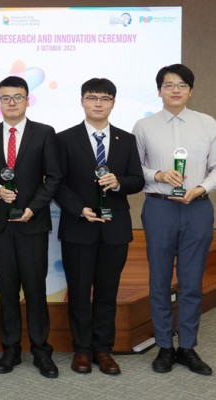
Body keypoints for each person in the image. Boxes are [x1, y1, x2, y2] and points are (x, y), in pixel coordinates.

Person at [54, 78, 145, 375]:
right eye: (92, 97)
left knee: (107, 292)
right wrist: (79, 209)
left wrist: (119, 182)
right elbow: (57, 184)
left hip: (114, 228)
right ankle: (82, 349)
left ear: (113, 103)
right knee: (79, 293)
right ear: (82, 101)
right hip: (79, 227)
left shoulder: (126, 139)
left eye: (105, 98)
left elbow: (137, 180)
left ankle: (103, 350)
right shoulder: (64, 139)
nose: (98, 103)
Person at [0, 76, 61, 378]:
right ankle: (10, 349)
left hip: (32, 224)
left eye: (18, 97)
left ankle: (41, 350)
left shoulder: (45, 133)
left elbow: (54, 177)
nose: (12, 102)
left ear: (28, 100)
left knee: (36, 290)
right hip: (1, 224)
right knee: (7, 289)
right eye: (5, 97)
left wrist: (33, 208)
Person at [133, 64, 215, 376]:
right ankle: (165, 346)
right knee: (159, 281)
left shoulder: (207, 124)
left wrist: (200, 188)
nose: (175, 90)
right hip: (159, 208)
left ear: (191, 90)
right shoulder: (144, 126)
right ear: (159, 91)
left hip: (197, 208)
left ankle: (187, 347)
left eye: (182, 85)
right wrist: (158, 174)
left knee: (192, 282)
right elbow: (134, 167)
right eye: (169, 85)